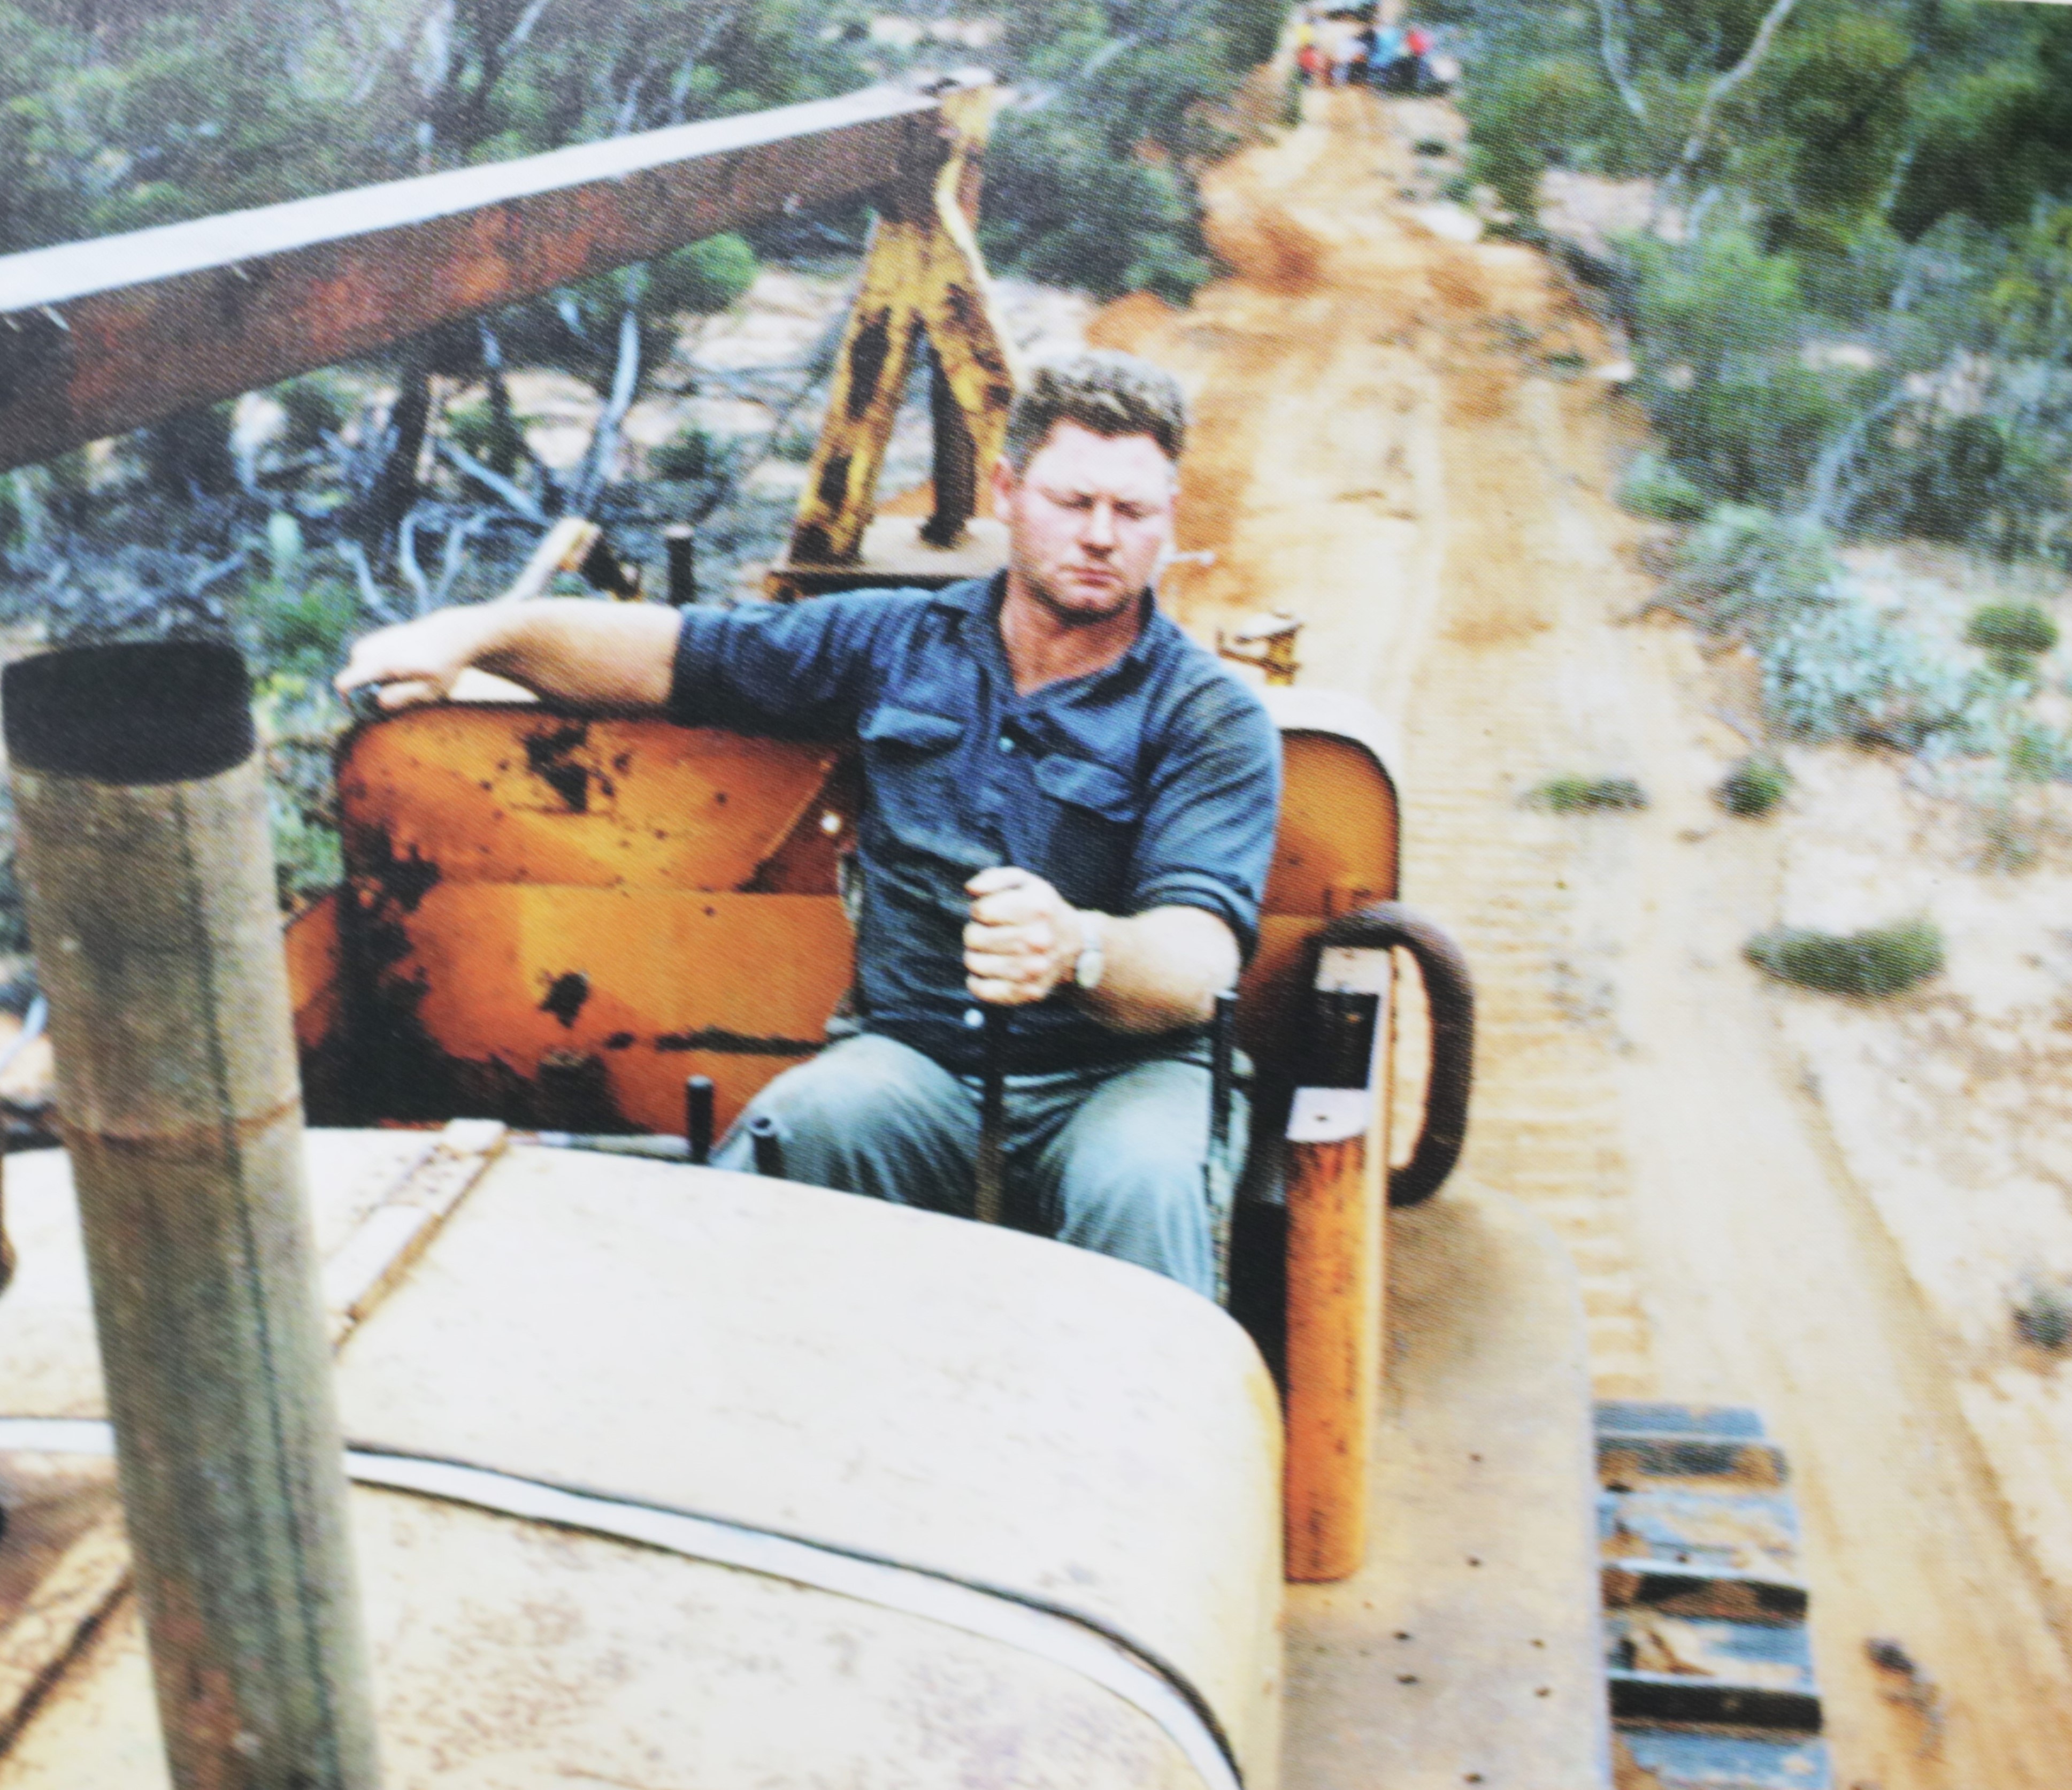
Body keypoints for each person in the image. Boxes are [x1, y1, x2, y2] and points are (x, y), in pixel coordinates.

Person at [335, 351, 1283, 1299]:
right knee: (807, 1132)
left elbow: (1195, 960)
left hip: (1124, 1079)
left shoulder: (1205, 716)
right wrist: (476, 634)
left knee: (1144, 1186)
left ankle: (1136, 1441)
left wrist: (1079, 948)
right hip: (919, 1064)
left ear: (1169, 518)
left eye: (1133, 513)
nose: (1101, 536)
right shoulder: (894, 643)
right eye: (1074, 503)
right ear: (1007, 492)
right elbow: (670, 654)